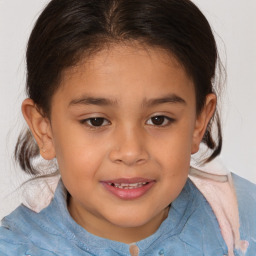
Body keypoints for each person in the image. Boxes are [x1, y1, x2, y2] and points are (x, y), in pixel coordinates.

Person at [0, 0, 255, 255]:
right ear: (44, 129)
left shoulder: (244, 221)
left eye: (159, 119)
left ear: (199, 121)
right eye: (96, 121)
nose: (131, 152)